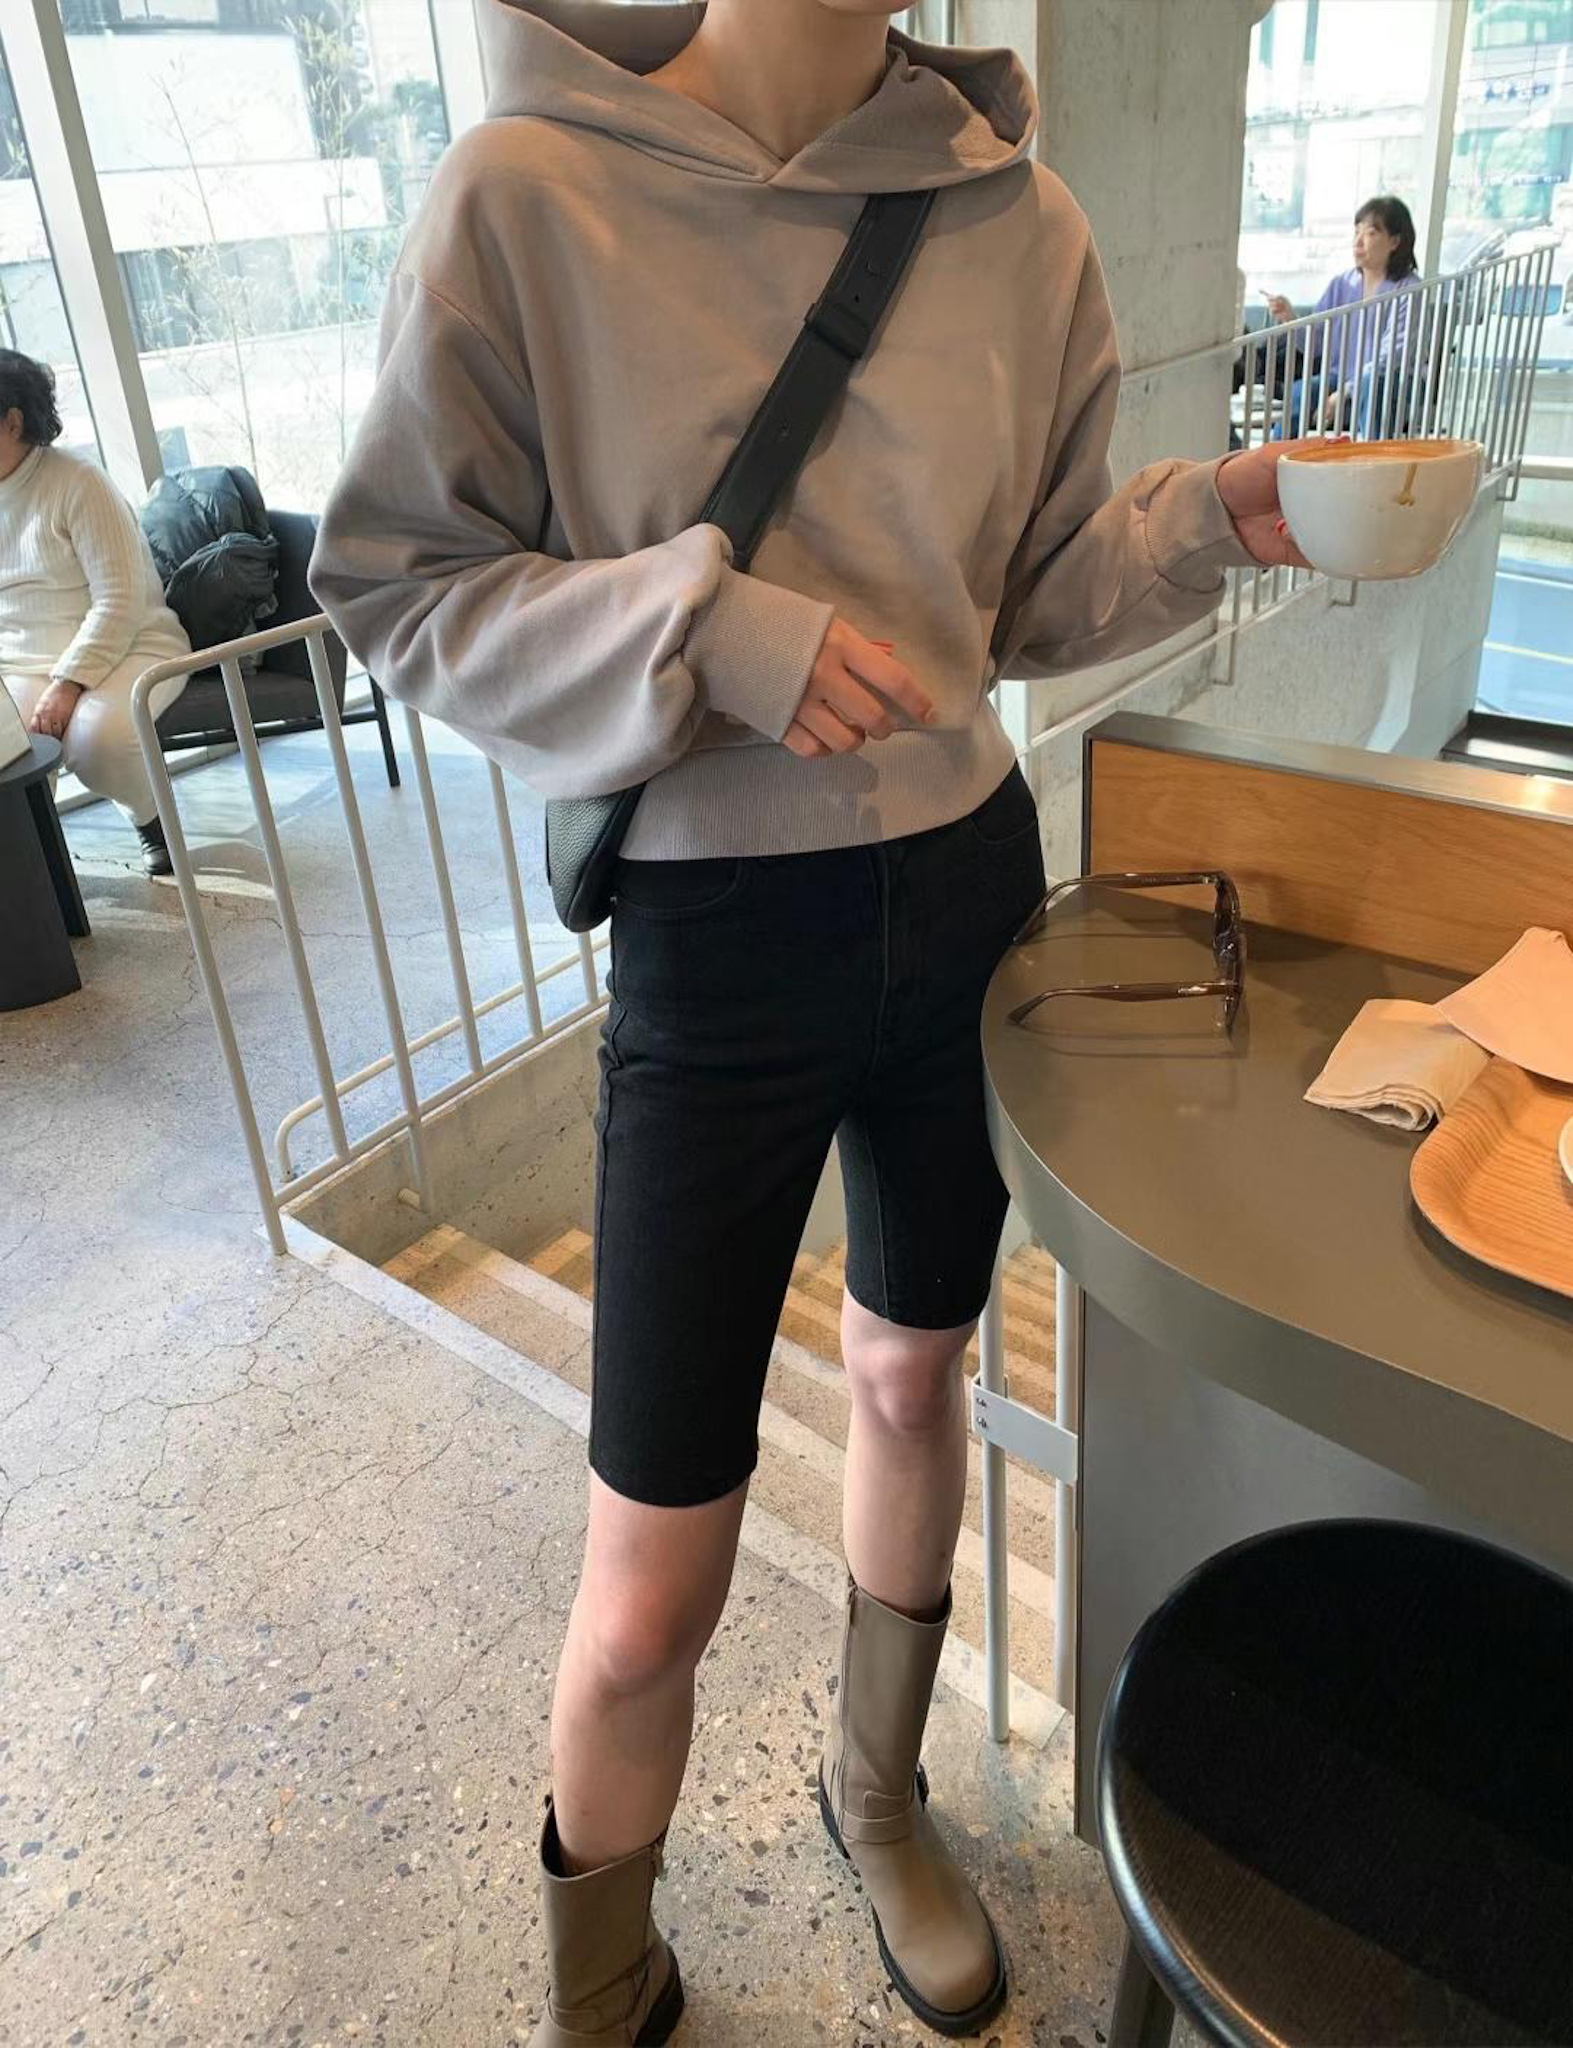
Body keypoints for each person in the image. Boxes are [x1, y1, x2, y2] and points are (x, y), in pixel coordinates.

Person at [310, 4, 1306, 2040]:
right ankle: (604, 1987)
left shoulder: (1019, 221)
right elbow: (398, 581)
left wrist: (1210, 513)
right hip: (712, 936)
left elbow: (1030, 600)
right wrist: (706, 629)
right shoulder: (525, 192)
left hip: (967, 897)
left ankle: (877, 1796)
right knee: (645, 1581)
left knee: (913, 1376)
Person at [0, 351, 190, 876]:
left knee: (95, 739)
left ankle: (153, 821)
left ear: (12, 421)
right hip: (25, 664)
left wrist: (69, 682)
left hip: (133, 644)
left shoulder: (79, 482)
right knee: (10, 748)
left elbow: (120, 601)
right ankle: (35, 877)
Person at [1266, 195, 1422, 439]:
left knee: (1371, 386)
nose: (1358, 241)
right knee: (1301, 391)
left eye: (1370, 233)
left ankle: (1374, 457)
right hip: (1340, 376)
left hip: (1389, 380)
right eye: (1356, 231)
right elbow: (1316, 344)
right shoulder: (1342, 284)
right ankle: (1273, 457)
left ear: (1394, 241)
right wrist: (1290, 318)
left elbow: (1392, 356)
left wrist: (1345, 392)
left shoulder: (1409, 289)